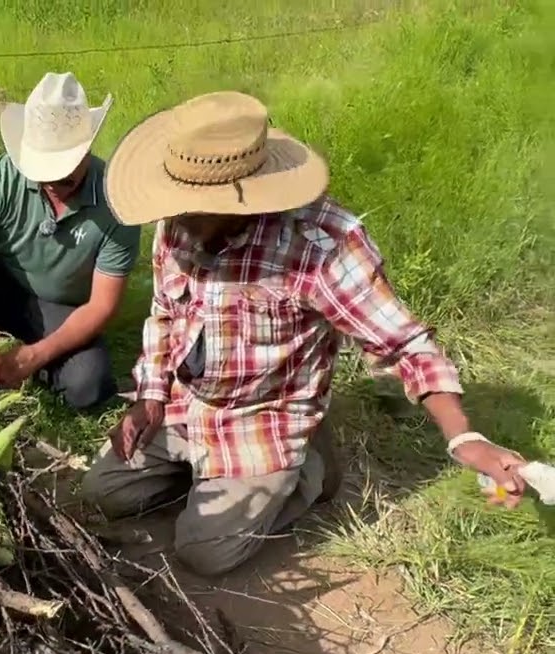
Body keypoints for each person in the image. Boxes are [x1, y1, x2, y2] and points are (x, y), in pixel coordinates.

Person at [81, 91, 530, 576]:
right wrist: (150, 395)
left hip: (262, 418)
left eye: (191, 208)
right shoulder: (179, 225)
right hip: (188, 406)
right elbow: (164, 314)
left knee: (203, 552)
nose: (174, 219)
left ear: (240, 199)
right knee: (103, 494)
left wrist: (464, 437)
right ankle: (210, 478)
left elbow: (405, 344)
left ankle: (309, 467)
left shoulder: (320, 246)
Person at [0, 72, 142, 410]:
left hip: (60, 307)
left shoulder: (117, 203)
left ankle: (17, 365)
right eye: (41, 172)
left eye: (61, 175)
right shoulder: (1, 176)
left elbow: (101, 305)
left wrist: (32, 357)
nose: (50, 183)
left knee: (88, 386)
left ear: (86, 150)